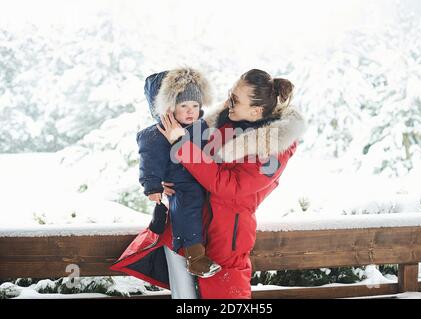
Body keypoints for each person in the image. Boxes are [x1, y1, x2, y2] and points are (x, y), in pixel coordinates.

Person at [111, 69, 307, 299]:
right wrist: (163, 178)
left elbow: (231, 187)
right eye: (229, 95)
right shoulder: (224, 121)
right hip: (186, 229)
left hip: (227, 238)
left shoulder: (273, 146)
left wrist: (182, 146)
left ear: (256, 110)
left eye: (235, 99)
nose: (227, 103)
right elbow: (183, 156)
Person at [137, 67, 221, 279]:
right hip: (182, 184)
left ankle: (205, 251)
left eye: (195, 105)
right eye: (184, 105)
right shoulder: (155, 135)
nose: (191, 111)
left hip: (207, 180)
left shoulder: (202, 126)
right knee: (187, 208)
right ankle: (195, 257)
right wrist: (152, 186)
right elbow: (150, 161)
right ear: (168, 107)